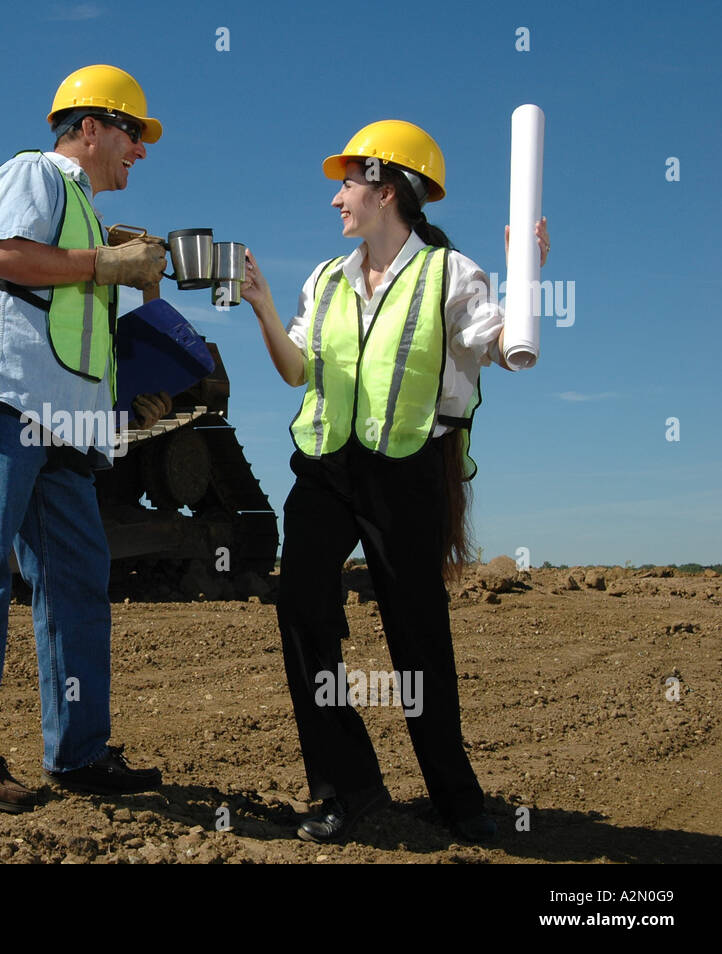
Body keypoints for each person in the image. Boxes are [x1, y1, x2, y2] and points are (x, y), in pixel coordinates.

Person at [241, 119, 550, 844]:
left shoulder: (451, 275)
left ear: (385, 190)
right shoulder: (326, 278)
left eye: (346, 184)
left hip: (406, 471)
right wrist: (261, 307)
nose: (336, 200)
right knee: (303, 607)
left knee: (417, 633)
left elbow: (508, 350)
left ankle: (456, 798)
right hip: (325, 468)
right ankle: (345, 787)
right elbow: (299, 371)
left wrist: (525, 279)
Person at [0, 64, 172, 813]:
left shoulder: (87, 215)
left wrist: (132, 395)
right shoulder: (34, 172)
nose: (140, 150)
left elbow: (73, 331)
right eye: (133, 133)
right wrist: (106, 263)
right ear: (90, 128)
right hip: (9, 403)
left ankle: (80, 753)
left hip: (66, 427)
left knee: (76, 584)